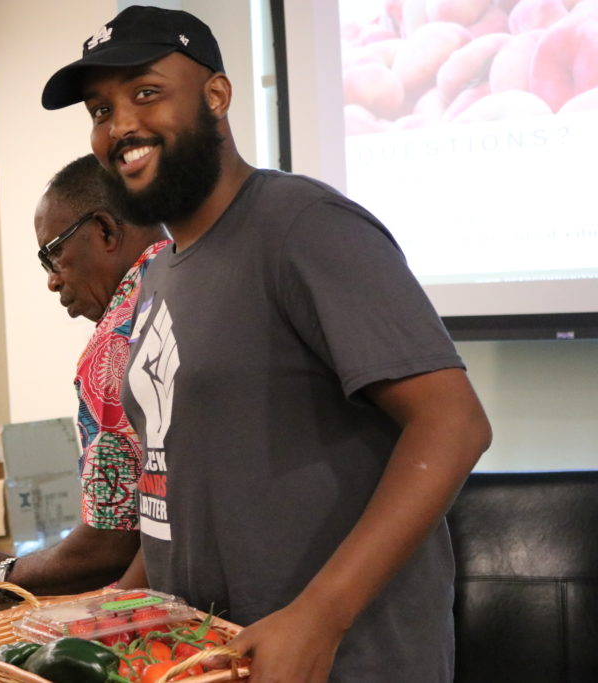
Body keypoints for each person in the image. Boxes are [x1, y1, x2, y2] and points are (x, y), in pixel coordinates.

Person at [41, 6, 492, 682]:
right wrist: (122, 598)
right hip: (215, 662)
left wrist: (321, 614)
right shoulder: (164, 270)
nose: (120, 126)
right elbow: (175, 486)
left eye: (146, 92)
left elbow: (454, 424)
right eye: (101, 109)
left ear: (216, 95)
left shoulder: (304, 226)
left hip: (345, 661)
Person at [0, 155, 169, 598]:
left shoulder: (119, 339)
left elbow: (113, 541)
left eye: (54, 254)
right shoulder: (196, 274)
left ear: (105, 230)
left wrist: (3, 573)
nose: (52, 281)